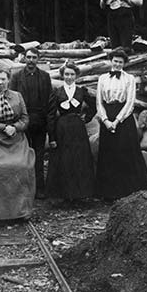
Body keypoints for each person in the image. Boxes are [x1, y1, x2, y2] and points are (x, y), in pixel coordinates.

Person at [0, 66, 35, 221]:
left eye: (3, 79)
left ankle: (21, 211)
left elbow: (25, 118)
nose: (0, 82)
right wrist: (3, 127)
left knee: (23, 167)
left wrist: (15, 127)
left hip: (15, 139)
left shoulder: (17, 96)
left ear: (8, 80)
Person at [95, 48, 147, 200]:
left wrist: (117, 121)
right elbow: (99, 102)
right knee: (109, 154)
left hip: (124, 119)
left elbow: (130, 103)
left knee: (125, 153)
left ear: (124, 64)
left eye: (121, 62)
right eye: (115, 61)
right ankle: (109, 193)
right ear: (110, 61)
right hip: (107, 116)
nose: (118, 64)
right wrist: (106, 121)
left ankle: (128, 192)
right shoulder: (102, 78)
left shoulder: (129, 79)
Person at [46, 62, 96, 202]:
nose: (69, 77)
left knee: (79, 158)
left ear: (76, 76)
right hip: (61, 127)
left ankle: (80, 194)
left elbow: (93, 105)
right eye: (66, 74)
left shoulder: (81, 91)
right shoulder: (57, 92)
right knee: (64, 159)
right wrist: (52, 137)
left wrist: (86, 118)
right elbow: (50, 115)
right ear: (62, 75)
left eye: (72, 74)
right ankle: (64, 194)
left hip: (77, 128)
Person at [9, 47, 54, 199]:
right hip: (23, 122)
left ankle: (39, 188)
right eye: (28, 57)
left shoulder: (45, 76)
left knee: (39, 156)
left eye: (34, 57)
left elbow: (49, 100)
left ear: (38, 59)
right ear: (24, 58)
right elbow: (12, 99)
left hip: (40, 121)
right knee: (23, 156)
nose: (31, 60)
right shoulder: (16, 77)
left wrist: (47, 122)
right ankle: (24, 188)